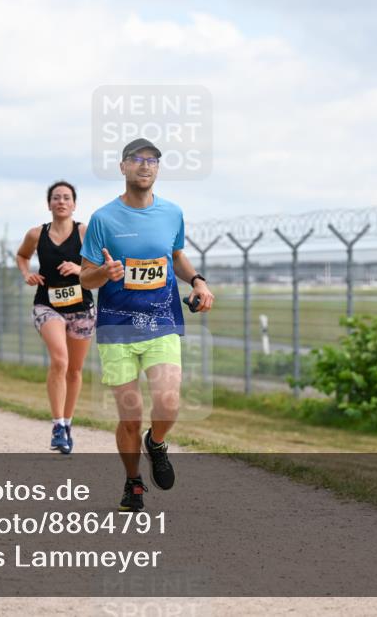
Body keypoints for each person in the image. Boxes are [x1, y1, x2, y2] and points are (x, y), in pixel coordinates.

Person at [80, 138, 214, 512]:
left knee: (169, 401)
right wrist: (104, 273)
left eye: (152, 160)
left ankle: (155, 443)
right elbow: (85, 278)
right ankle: (133, 482)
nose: (145, 165)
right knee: (130, 414)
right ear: (122, 167)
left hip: (162, 321)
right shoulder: (103, 220)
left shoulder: (172, 213)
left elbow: (176, 257)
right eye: (136, 160)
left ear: (158, 168)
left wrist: (198, 281)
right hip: (117, 327)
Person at [16, 181, 96, 454]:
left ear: (74, 204)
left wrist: (79, 267)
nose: (61, 202)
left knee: (74, 369)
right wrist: (26, 273)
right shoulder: (37, 234)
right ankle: (57, 425)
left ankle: (68, 422)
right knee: (59, 360)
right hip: (46, 304)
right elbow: (22, 255)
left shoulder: (85, 232)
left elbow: (98, 267)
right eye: (56, 198)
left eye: (66, 198)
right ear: (49, 204)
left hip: (82, 306)